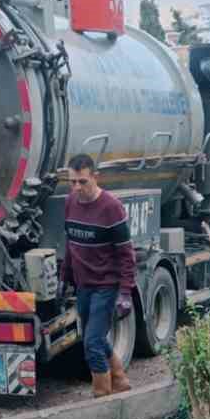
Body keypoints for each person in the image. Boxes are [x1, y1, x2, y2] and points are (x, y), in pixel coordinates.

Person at [63, 152, 137, 398]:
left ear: (95, 177)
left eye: (82, 182)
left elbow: (126, 254)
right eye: (72, 182)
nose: (76, 187)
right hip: (84, 285)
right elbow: (70, 241)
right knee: (92, 336)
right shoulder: (70, 202)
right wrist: (66, 276)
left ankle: (102, 394)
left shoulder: (111, 208)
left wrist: (125, 292)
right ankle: (120, 379)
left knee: (92, 343)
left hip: (107, 285)